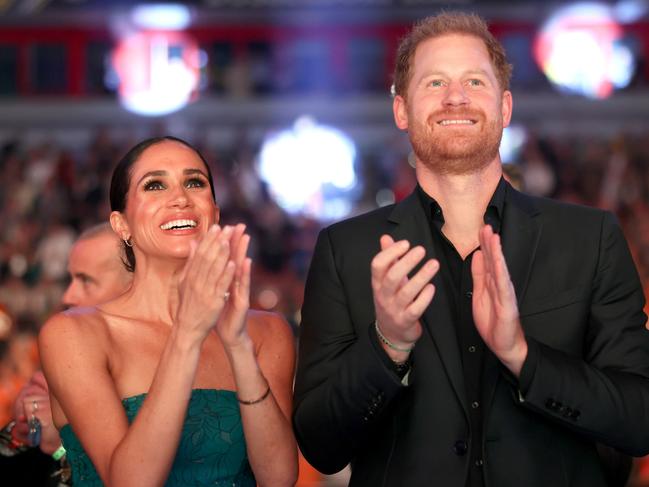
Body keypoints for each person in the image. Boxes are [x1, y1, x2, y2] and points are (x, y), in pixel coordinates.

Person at [293, 12, 649, 487]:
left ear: (505, 107)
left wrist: (522, 356)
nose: (455, 97)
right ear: (401, 109)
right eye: (435, 82)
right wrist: (388, 344)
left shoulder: (591, 238)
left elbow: (639, 418)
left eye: (474, 81)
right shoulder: (344, 250)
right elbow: (320, 444)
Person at [38, 136, 297, 486]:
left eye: (195, 182)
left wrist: (238, 347)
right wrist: (187, 335)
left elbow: (279, 479)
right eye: (155, 185)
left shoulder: (266, 332)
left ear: (214, 214)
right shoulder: (74, 334)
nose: (179, 198)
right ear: (122, 224)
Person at [1, 223, 133, 486]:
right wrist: (20, 433)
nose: (68, 296)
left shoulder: (167, 377)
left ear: (134, 287)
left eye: (85, 281)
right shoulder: (51, 376)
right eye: (70, 279)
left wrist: (65, 443)